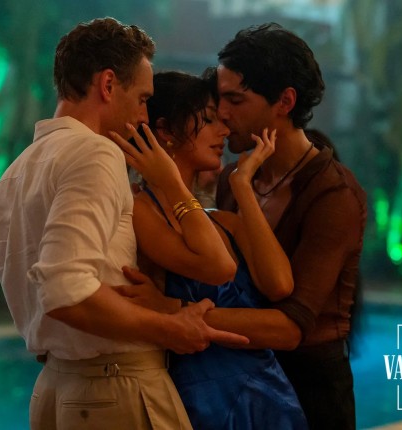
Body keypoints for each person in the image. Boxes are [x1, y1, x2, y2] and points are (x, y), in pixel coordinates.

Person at [0, 18, 247, 430]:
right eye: (142, 99)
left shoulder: (15, 172)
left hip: (54, 387)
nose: (144, 115)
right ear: (108, 85)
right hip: (113, 386)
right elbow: (64, 288)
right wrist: (170, 327)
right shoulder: (96, 153)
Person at [111, 71, 307, 430]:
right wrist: (170, 182)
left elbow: (280, 285)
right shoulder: (139, 210)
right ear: (166, 131)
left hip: (270, 398)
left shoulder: (225, 222)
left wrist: (242, 185)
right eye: (209, 119)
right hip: (204, 405)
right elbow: (217, 267)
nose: (224, 131)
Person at [213, 23, 368, 430]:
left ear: (284, 101)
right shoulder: (235, 179)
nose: (222, 112)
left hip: (310, 394)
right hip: (245, 385)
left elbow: (290, 327)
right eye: (219, 98)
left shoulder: (333, 194)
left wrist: (177, 317)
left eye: (235, 99)